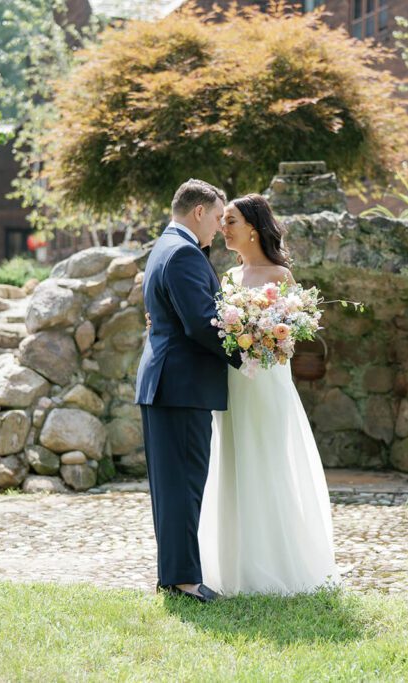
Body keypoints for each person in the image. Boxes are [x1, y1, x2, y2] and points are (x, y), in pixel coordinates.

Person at [198, 193, 340, 595]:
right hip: (234, 388)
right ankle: (232, 566)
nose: (222, 228)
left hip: (268, 388)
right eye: (222, 221)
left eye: (230, 221)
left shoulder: (281, 277)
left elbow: (292, 338)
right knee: (232, 464)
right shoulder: (227, 279)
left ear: (254, 230)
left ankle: (277, 565)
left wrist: (264, 339)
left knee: (268, 466)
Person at [135, 178, 240, 603]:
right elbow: (200, 323)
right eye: (217, 217)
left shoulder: (164, 247)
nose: (218, 227)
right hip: (180, 386)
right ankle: (182, 581)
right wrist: (246, 352)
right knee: (183, 484)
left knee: (175, 484)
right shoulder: (182, 253)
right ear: (199, 212)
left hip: (170, 385)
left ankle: (175, 575)